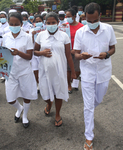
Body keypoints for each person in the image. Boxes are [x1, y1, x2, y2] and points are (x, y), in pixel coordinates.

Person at [74, 3, 116, 150]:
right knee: (88, 106)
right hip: (87, 73)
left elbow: (113, 48)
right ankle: (89, 137)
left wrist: (107, 54)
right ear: (85, 17)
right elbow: (76, 53)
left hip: (103, 72)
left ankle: (89, 112)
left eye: (94, 20)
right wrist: (81, 56)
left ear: (100, 16)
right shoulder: (81, 32)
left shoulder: (108, 29)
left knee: (97, 100)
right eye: (89, 20)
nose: (91, 23)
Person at [34, 12, 76, 127]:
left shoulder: (64, 36)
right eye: (48, 23)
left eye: (53, 22)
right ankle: (49, 104)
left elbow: (68, 56)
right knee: (45, 93)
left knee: (58, 94)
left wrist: (72, 72)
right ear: (45, 23)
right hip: (44, 71)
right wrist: (42, 52)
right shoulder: (41, 35)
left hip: (59, 72)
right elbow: (34, 51)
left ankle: (57, 114)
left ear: (58, 23)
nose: (51, 24)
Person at [2, 12, 37, 128]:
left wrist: (18, 53)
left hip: (24, 71)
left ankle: (25, 116)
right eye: (11, 24)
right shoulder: (5, 36)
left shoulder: (27, 37)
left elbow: (29, 56)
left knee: (26, 95)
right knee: (10, 99)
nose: (13, 26)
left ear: (21, 24)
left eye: (16, 24)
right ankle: (19, 108)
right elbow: (2, 54)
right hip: (11, 72)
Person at [66, 8, 84, 94]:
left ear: (74, 16)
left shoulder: (81, 27)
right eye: (66, 16)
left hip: (77, 51)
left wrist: (76, 49)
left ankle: (75, 81)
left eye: (69, 16)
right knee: (68, 69)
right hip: (66, 51)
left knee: (77, 70)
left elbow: (84, 40)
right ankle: (69, 85)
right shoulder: (64, 26)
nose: (67, 18)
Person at [29, 14, 46, 91]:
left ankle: (44, 84)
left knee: (44, 69)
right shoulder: (32, 30)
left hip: (43, 52)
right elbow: (30, 43)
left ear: (43, 21)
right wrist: (32, 35)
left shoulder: (46, 29)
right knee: (35, 70)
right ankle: (38, 84)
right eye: (37, 21)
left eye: (40, 21)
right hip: (34, 53)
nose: (38, 22)